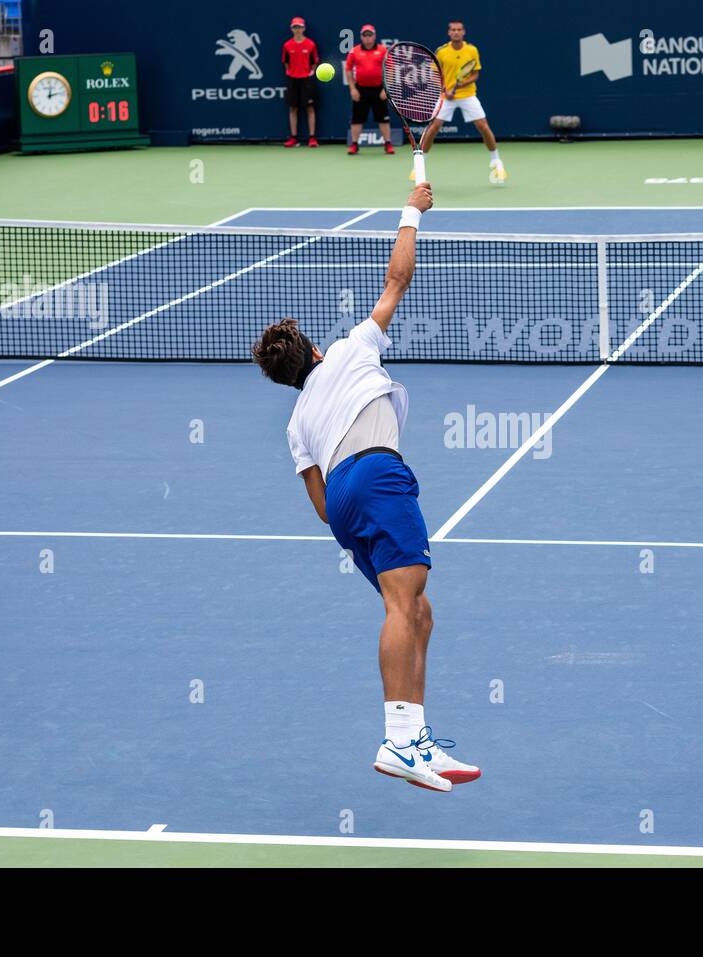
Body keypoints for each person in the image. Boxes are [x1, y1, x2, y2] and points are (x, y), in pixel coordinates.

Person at [251, 182, 480, 793]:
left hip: (345, 501)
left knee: (417, 611)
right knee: (406, 603)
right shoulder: (353, 350)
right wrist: (413, 209)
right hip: (378, 474)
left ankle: (418, 738)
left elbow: (323, 509)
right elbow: (398, 278)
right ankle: (397, 739)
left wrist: (353, 498)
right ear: (316, 350)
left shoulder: (298, 423)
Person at [419, 20, 505, 183]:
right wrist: (445, 91)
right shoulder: (442, 52)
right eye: (453, 30)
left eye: (459, 30)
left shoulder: (472, 50)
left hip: (467, 95)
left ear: (463, 32)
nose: (456, 32)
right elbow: (435, 75)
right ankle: (421, 163)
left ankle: (495, 160)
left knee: (483, 125)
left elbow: (475, 74)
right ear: (449, 33)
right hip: (446, 97)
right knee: (434, 127)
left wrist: (459, 86)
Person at [344, 24, 394, 156]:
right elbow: (348, 69)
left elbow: (390, 69)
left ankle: (387, 144)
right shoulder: (354, 51)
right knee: (357, 119)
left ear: (374, 36)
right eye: (365, 35)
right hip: (360, 89)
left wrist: (386, 89)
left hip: (379, 89)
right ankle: (354, 145)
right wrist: (352, 89)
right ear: (361, 36)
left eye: (370, 35)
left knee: (383, 119)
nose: (367, 38)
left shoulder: (383, 50)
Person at [282, 16, 319, 148]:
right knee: (293, 108)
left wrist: (308, 73)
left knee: (310, 108)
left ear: (304, 29)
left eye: (299, 27)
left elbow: (314, 62)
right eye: (295, 27)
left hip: (306, 80)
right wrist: (291, 72)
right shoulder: (287, 45)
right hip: (292, 80)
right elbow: (285, 62)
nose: (297, 29)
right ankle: (293, 138)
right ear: (292, 29)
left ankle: (312, 138)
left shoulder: (311, 44)